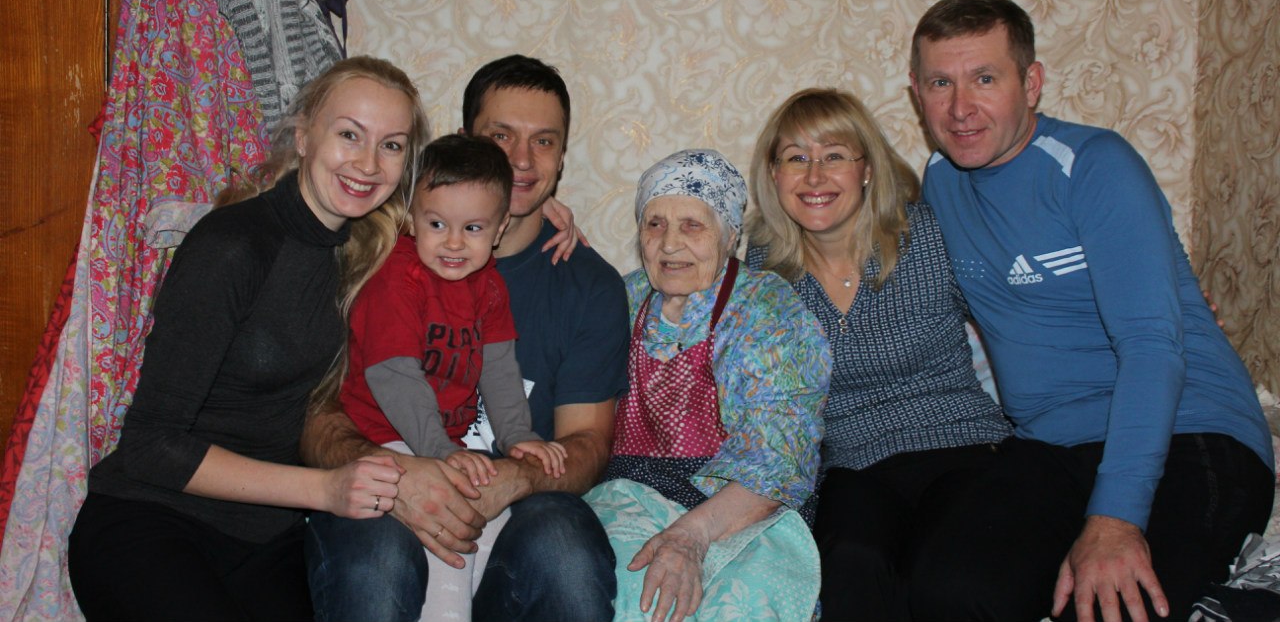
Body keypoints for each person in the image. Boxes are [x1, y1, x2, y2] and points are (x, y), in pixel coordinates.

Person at [907, 0, 1274, 622]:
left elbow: (1151, 347)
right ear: (917, 93)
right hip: (1051, 445)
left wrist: (1114, 519)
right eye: (941, 83)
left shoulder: (1094, 165)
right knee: (944, 595)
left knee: (1113, 605)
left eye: (985, 79)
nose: (960, 108)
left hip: (1190, 430)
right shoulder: (941, 182)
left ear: (1032, 83)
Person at [67, 57, 432, 621]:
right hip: (153, 520)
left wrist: (538, 214)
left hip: (264, 540)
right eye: (349, 134)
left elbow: (473, 208)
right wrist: (325, 489)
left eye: (391, 146)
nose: (368, 163)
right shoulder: (232, 246)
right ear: (303, 135)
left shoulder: (367, 252)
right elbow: (149, 444)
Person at [303, 55, 630, 622]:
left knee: (565, 552)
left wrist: (518, 466)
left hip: (512, 496)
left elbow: (585, 442)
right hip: (387, 462)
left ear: (561, 158)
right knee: (380, 561)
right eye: (501, 136)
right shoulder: (374, 245)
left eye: (544, 141)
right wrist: (398, 471)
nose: (522, 159)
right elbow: (317, 410)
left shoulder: (585, 285)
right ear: (464, 142)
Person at [744, 87, 1011, 621]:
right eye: (795, 158)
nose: (814, 176)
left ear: (867, 169)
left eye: (834, 156)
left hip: (961, 449)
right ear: (773, 175)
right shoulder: (765, 272)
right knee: (850, 566)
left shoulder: (928, 236)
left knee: (948, 578)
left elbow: (1020, 312)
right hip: (853, 467)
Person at [585, 148, 832, 622]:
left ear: (730, 235)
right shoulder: (620, 299)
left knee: (743, 603)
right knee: (636, 594)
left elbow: (779, 459)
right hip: (626, 499)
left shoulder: (768, 309)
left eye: (692, 226)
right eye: (655, 224)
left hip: (742, 507)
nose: (670, 244)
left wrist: (689, 535)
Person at [338, 133, 568, 620]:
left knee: (492, 523)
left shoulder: (489, 286)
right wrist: (438, 449)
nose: (454, 242)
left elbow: (499, 368)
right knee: (454, 537)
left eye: (473, 227)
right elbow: (395, 376)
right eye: (437, 224)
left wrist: (518, 436)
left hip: (443, 443)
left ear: (500, 228)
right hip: (384, 436)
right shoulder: (396, 279)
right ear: (412, 218)